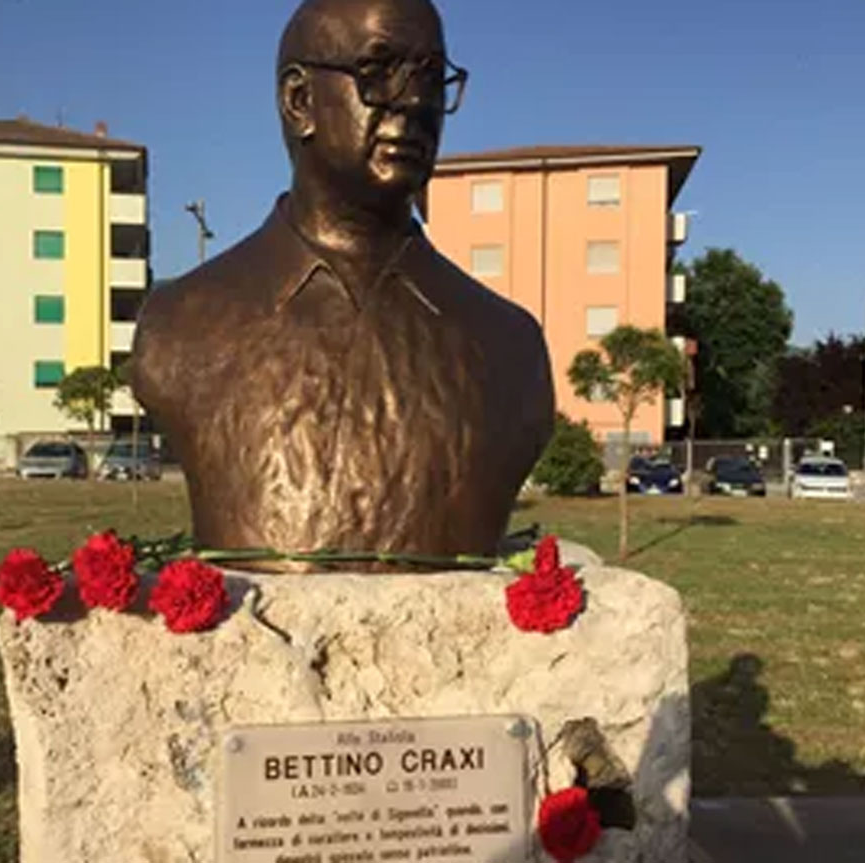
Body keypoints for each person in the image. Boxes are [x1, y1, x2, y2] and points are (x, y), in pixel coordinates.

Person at [129, 0, 554, 569]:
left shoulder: (510, 346)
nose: (414, 101)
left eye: (431, 77)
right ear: (299, 101)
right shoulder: (177, 324)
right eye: (378, 73)